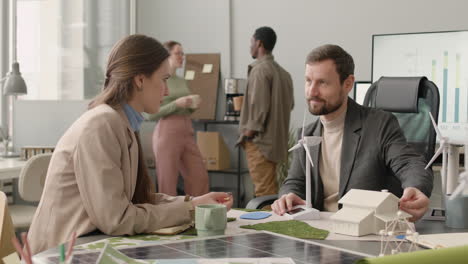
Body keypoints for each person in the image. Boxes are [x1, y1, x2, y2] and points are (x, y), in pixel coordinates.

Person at [27, 35, 232, 254]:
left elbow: (135, 199)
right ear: (140, 80)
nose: (167, 91)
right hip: (60, 253)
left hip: (87, 245)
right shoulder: (101, 125)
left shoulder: (120, 122)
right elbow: (118, 219)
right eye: (163, 80)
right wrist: (190, 209)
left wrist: (194, 202)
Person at [272, 44, 433, 222]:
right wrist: (288, 196)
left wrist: (416, 187)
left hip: (365, 232)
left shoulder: (379, 124)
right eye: (308, 81)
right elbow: (295, 182)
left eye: (322, 82)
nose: (312, 91)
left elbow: (408, 162)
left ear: (348, 84)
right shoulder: (307, 134)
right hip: (320, 232)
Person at [237, 26, 294, 197]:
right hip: (277, 144)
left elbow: (259, 109)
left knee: (264, 193)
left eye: (251, 42)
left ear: (259, 43)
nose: (250, 46)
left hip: (260, 143)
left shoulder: (260, 70)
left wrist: (248, 134)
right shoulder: (284, 74)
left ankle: (266, 224)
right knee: (271, 190)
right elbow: (289, 105)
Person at [146, 41, 209, 196]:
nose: (182, 56)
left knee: (199, 176)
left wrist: (192, 105)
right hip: (167, 132)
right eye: (178, 53)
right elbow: (151, 114)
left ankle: (197, 213)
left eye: (183, 53)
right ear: (167, 56)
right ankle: (169, 218)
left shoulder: (181, 80)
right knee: (167, 181)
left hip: (186, 129)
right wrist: (176, 103)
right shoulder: (158, 79)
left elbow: (185, 108)